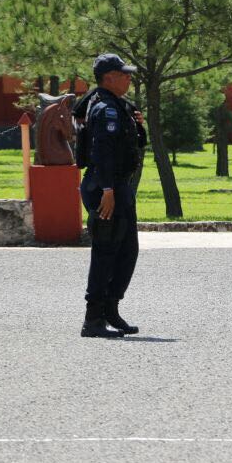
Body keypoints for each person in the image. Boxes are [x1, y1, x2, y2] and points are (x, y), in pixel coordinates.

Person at [80, 53, 146, 339]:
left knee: (127, 249)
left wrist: (139, 125)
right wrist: (107, 190)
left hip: (119, 187)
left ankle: (110, 308)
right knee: (105, 252)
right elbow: (101, 152)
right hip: (105, 186)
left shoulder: (119, 107)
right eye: (124, 74)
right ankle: (93, 319)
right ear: (109, 78)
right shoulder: (105, 108)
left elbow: (132, 144)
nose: (129, 78)